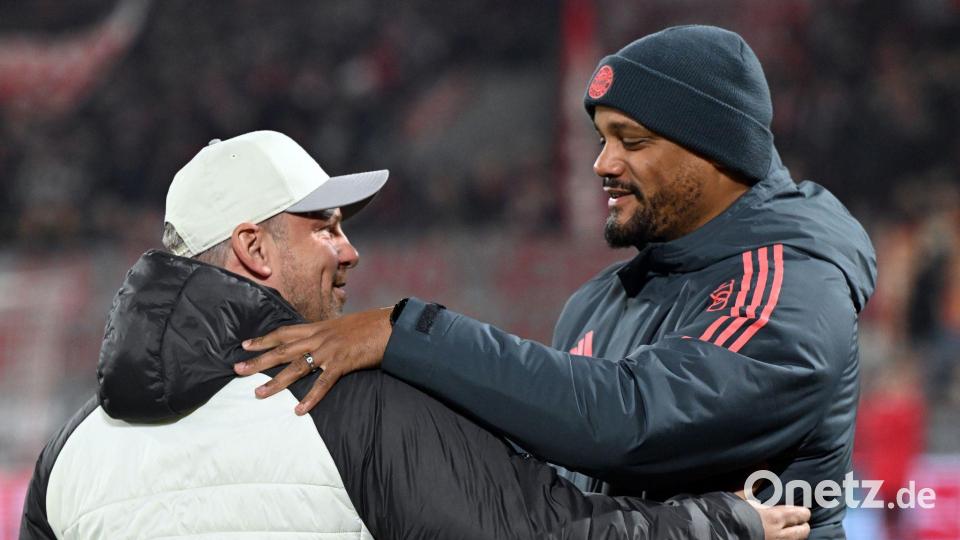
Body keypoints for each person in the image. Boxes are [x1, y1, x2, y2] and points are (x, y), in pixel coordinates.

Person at [235, 25, 877, 539]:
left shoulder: (790, 281)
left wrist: (405, 334)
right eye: (601, 139)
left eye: (632, 141)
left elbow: (633, 420)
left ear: (717, 151)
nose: (602, 163)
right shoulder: (597, 303)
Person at [20, 130, 809, 539]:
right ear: (255, 248)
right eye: (325, 226)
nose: (349, 250)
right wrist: (728, 523)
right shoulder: (353, 404)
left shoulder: (69, 452)